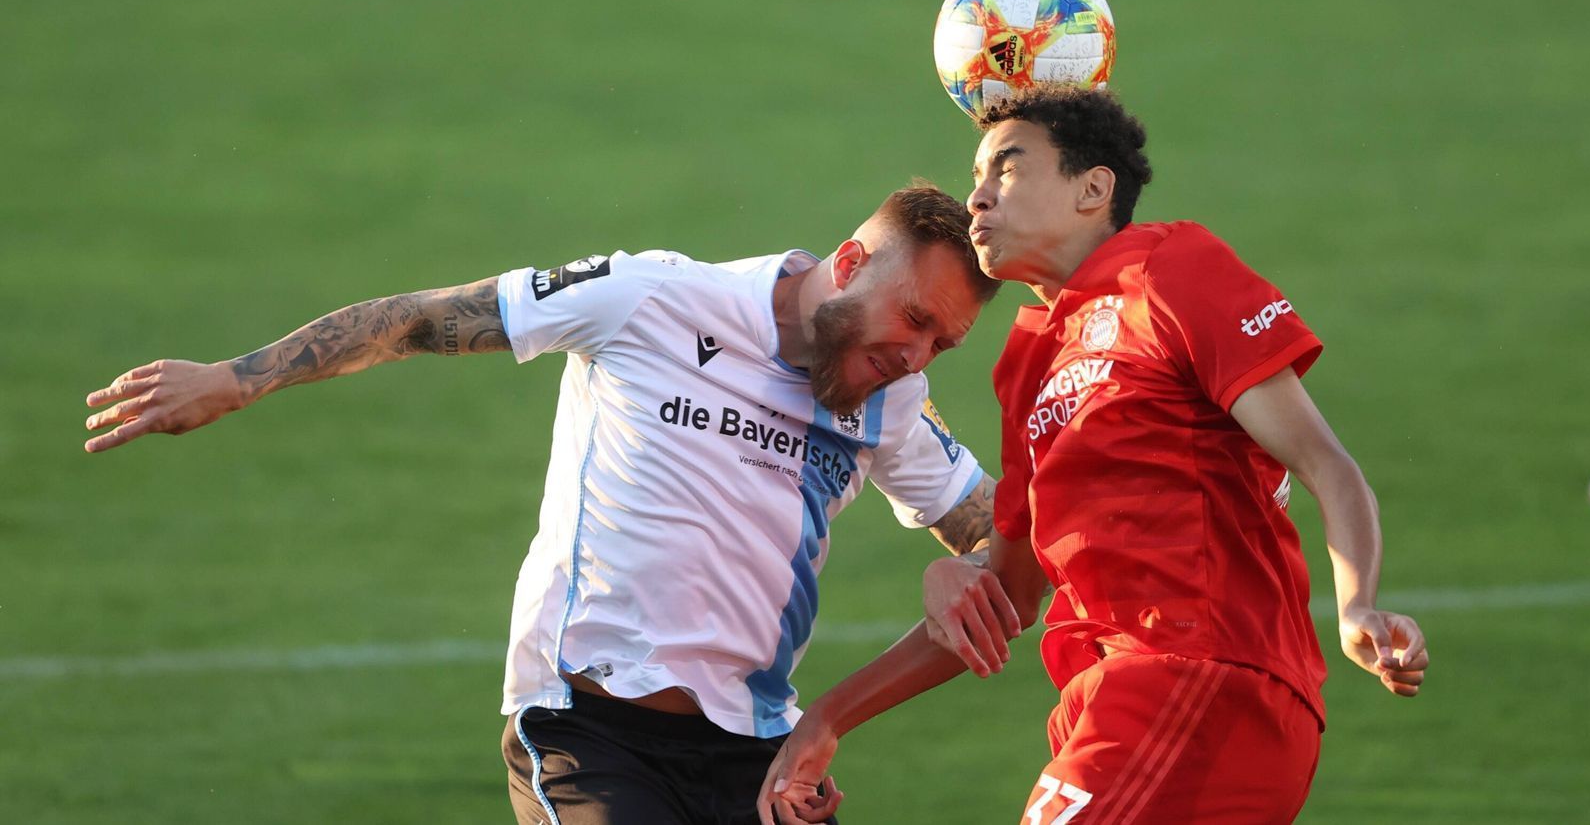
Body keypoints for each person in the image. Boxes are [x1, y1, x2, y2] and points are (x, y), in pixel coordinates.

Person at [83, 184, 1016, 825]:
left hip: (759, 757)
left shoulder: (888, 403)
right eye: (915, 319)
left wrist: (962, 567)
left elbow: (1012, 536)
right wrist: (238, 379)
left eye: (944, 344)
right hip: (590, 728)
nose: (916, 355)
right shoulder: (650, 297)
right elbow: (422, 319)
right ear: (851, 262)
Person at [760, 88, 1432, 825]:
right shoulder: (1027, 362)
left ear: (1094, 187)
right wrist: (830, 714)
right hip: (1101, 704)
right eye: (975, 176)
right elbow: (1010, 597)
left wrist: (1356, 601)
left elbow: (1325, 462)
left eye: (1007, 170)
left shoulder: (1173, 269)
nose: (977, 198)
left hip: (1197, 678)